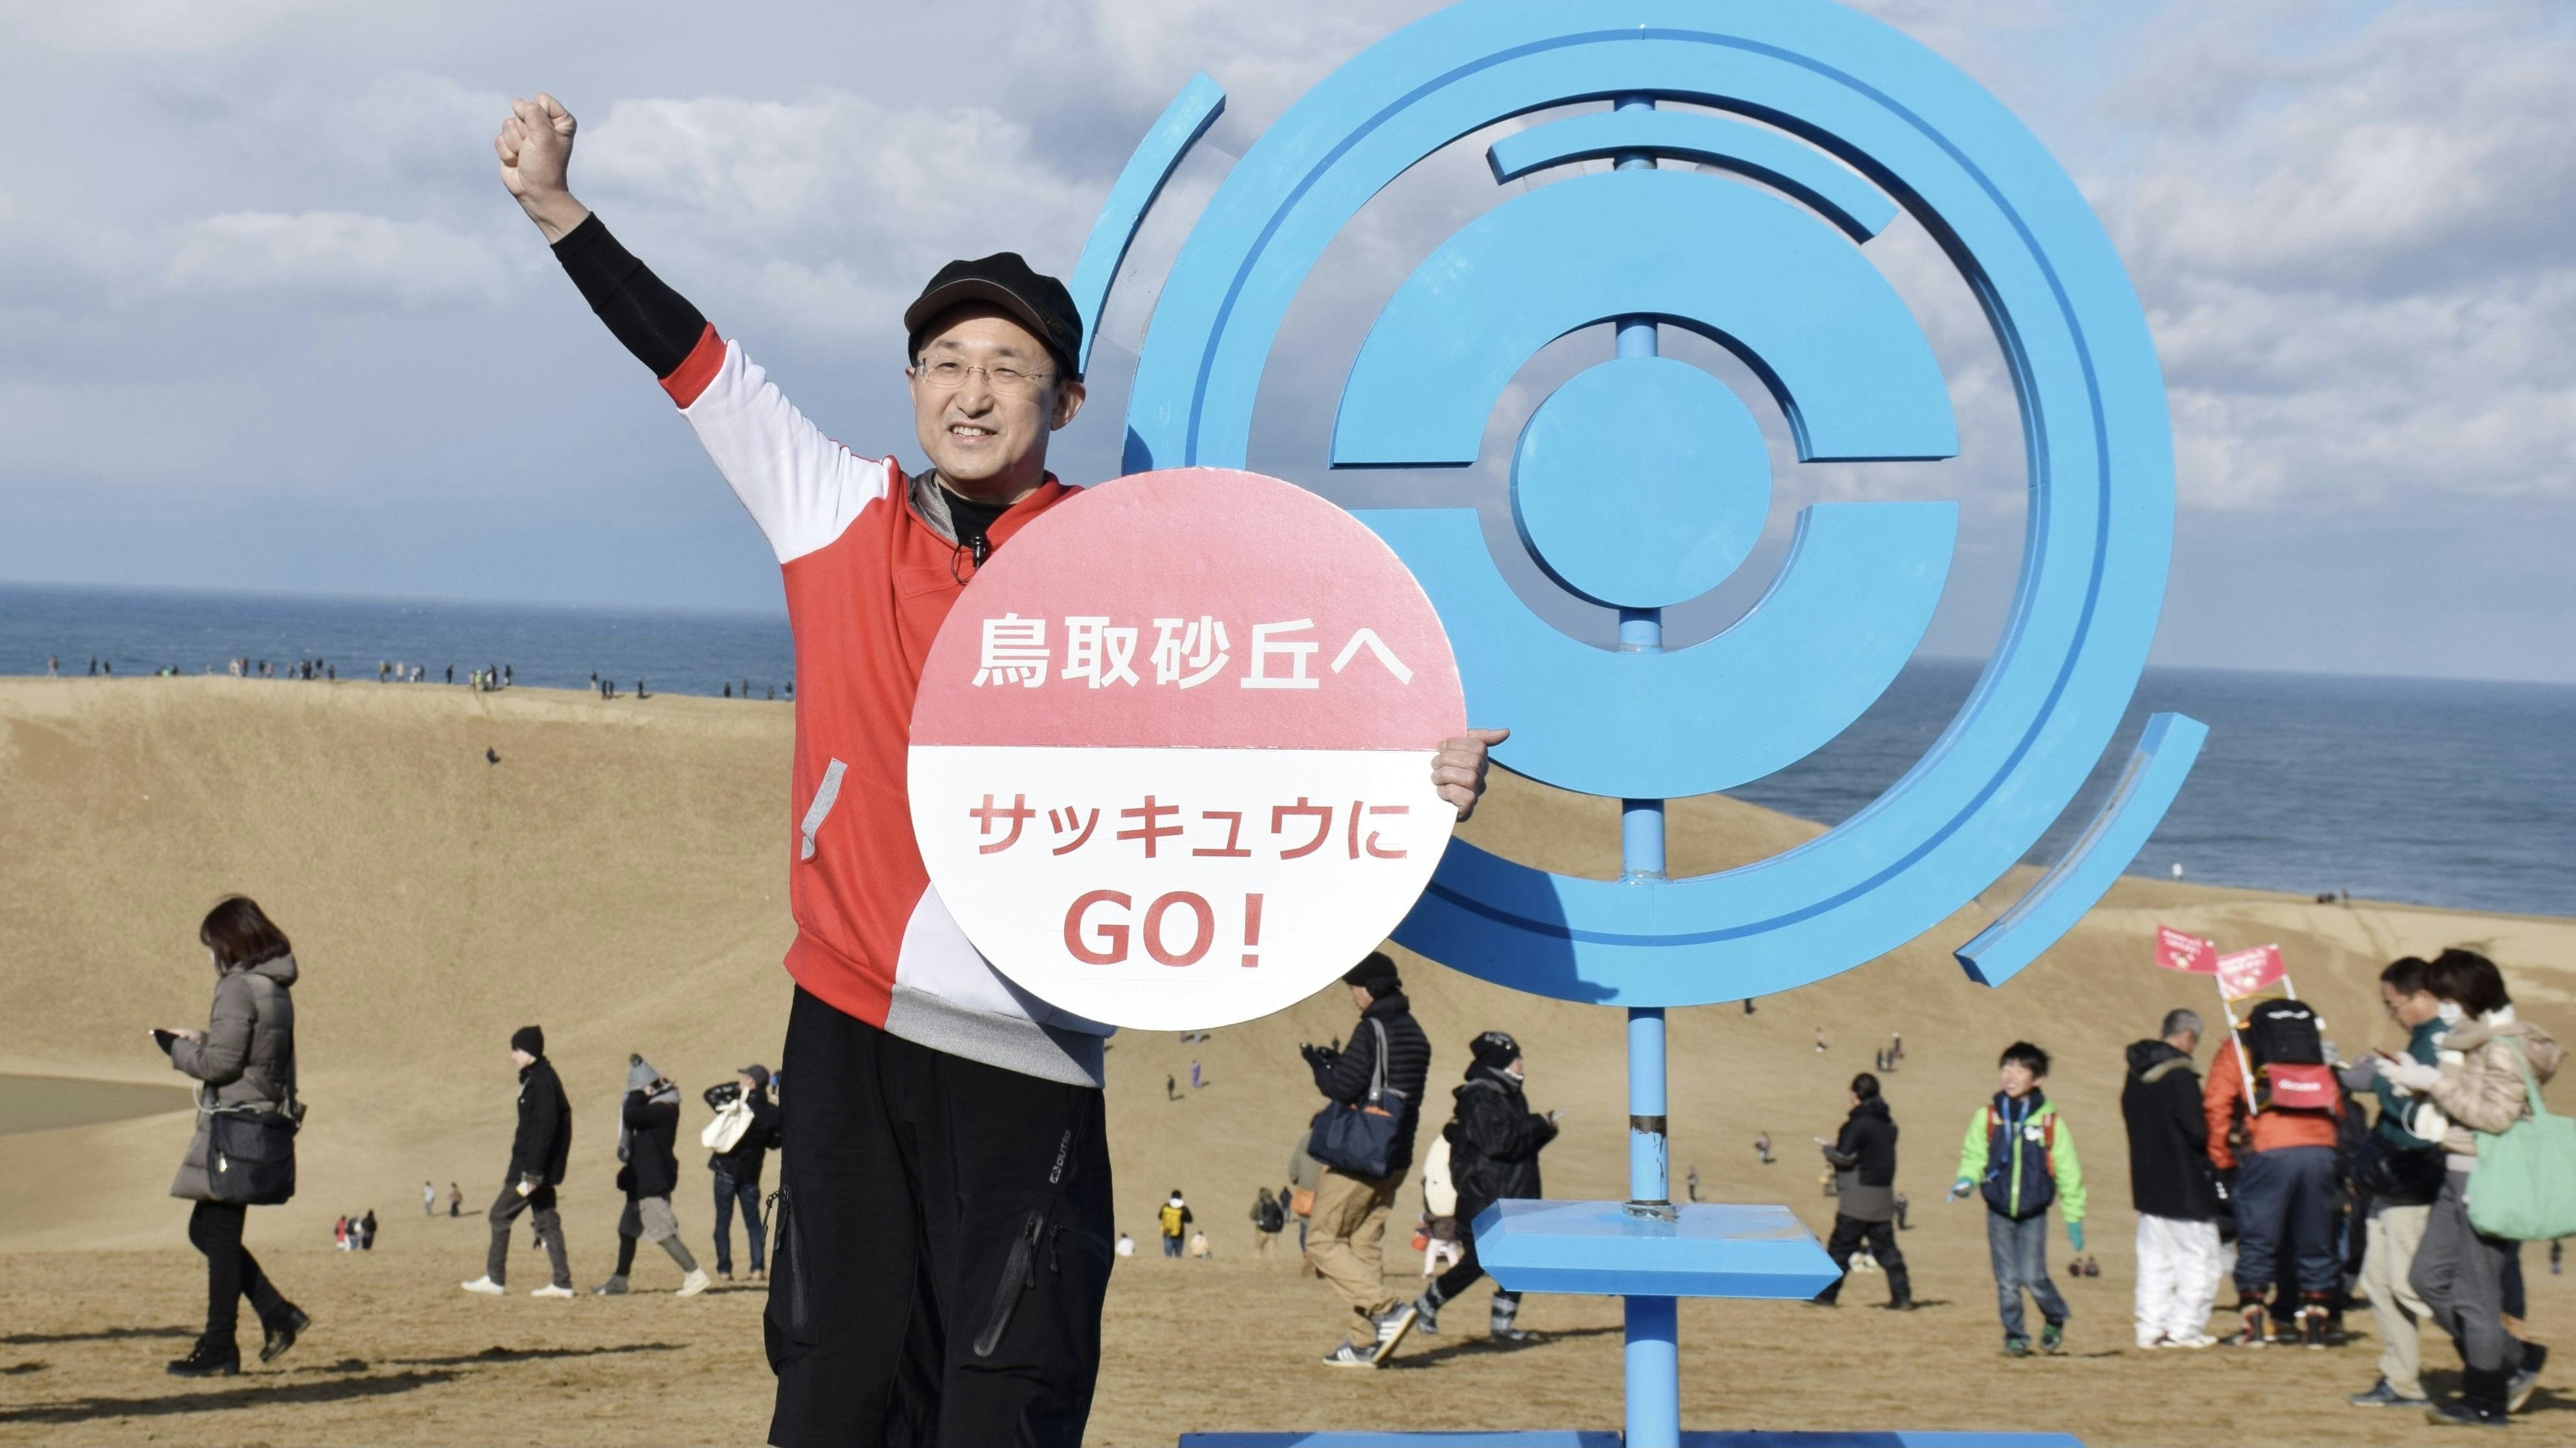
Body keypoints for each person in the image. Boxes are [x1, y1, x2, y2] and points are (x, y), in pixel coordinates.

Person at [496, 90, 1500, 1440]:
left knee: (1010, 1380)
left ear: (1065, 398)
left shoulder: (1126, 563)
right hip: (850, 1020)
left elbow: (1276, 721)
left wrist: (1416, 773)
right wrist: (559, 210)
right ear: (913, 383)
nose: (970, 391)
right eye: (944, 360)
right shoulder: (832, 508)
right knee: (839, 1376)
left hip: (1033, 1043)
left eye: (1009, 366)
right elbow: (693, 362)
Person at [2379, 949, 2560, 1427]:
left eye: (2445, 996)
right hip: (2456, 1169)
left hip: (2486, 1174)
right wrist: (2417, 1084)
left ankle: (2486, 1400)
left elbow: (2495, 1117)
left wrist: (2434, 1084)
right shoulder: (2469, 1042)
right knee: (2426, 1277)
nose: (2441, 1006)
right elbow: (2467, 1103)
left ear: (2466, 995)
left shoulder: (2501, 1046)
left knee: (2475, 1294)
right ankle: (2513, 1355)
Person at [159, 896, 310, 1377]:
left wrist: (175, 1048)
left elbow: (222, 1065)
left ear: (230, 942)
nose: (211, 955)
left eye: (212, 945)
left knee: (219, 1236)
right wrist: (203, 1038)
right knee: (206, 1230)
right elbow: (255, 1055)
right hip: (256, 1121)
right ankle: (275, 1312)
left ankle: (221, 1346)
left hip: (234, 1126)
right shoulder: (273, 986)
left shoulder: (237, 987)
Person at [1301, 953, 1435, 1366]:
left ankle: (1388, 1310)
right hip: (1396, 1155)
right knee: (1364, 1245)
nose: (1353, 996)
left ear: (1373, 988)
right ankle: (1365, 1343)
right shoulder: (1414, 1032)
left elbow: (1343, 1089)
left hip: (1361, 1155)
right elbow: (1383, 1083)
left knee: (1321, 1240)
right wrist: (1341, 1064)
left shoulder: (1372, 1028)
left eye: (1356, 988)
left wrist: (1319, 1066)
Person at [2204, 994, 2344, 1347]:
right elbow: (2334, 1100)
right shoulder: (2308, 1045)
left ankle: (2254, 1322)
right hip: (2321, 1146)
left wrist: (2222, 1157)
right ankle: (2316, 1323)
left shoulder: (2240, 1045)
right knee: (2315, 1237)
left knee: (2258, 1238)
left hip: (2269, 1145)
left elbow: (2217, 1102)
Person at [2344, 958, 2448, 1408]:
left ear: (2421, 996)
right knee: (2378, 1281)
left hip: (2411, 1179)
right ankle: (2402, 1379)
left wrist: (2382, 1082)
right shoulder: (2424, 1037)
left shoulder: (2439, 1039)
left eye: (2393, 1005)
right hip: (2390, 1182)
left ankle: (2502, 1354)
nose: (2393, 1015)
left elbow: (2419, 1120)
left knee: (2411, 1285)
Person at [1412, 1030, 1555, 1342]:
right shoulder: (1479, 1097)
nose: (1521, 1063)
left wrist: (1544, 1131)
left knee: (1520, 1260)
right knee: (1479, 1261)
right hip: (1484, 1196)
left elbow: (1515, 1147)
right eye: (1516, 1058)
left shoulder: (1510, 1095)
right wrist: (1536, 1124)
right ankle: (1427, 1303)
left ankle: (1502, 1327)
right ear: (1500, 1061)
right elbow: (1496, 1143)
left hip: (1514, 1193)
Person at [1955, 1041, 2085, 1357]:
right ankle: (2015, 1336)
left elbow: (2068, 1171)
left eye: (2021, 1069)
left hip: (2034, 1212)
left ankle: (2055, 1315)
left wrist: (2074, 1217)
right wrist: (1967, 1179)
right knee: (2007, 1281)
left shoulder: (2049, 1123)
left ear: (2038, 1079)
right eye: (2006, 1067)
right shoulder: (1988, 1116)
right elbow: (1975, 1155)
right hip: (1998, 1210)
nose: (2010, 1075)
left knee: (2034, 1277)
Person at [2122, 1009, 2221, 1349]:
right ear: (2188, 1037)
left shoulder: (2135, 1074)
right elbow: (2197, 1130)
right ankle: (2184, 1330)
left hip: (2148, 1184)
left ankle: (2150, 1329)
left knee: (2154, 1261)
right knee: (2201, 1258)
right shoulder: (2180, 1076)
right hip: (2185, 1184)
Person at [461, 1025, 575, 1298]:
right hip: (537, 1170)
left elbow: (544, 1130)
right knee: (547, 1220)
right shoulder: (538, 1078)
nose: (513, 1056)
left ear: (530, 1051)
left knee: (499, 1215)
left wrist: (533, 1173)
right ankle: (562, 1283)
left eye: (516, 1050)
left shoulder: (543, 1082)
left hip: (530, 1172)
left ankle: (495, 1279)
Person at [595, 1056, 711, 1297]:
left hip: (652, 1182)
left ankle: (695, 1274)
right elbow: (642, 1143)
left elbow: (631, 1114)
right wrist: (628, 1173)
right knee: (627, 1230)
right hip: (642, 1180)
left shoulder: (665, 1109)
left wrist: (638, 1091)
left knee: (663, 1231)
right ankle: (620, 1281)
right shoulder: (656, 1108)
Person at [1813, 1073, 1911, 1310]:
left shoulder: (1857, 1123)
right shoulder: (1889, 1124)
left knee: (1839, 1249)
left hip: (1857, 1197)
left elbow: (1844, 1157)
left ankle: (1826, 1297)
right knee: (1887, 1251)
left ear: (1856, 1095)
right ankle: (1903, 1297)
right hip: (1883, 1195)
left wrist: (1827, 1149)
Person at [706, 1065, 782, 1282]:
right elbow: (775, 1143)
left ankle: (724, 1270)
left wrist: (738, 1089)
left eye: (744, 1078)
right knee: (754, 1222)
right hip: (751, 1172)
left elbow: (710, 1094)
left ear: (751, 1082)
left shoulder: (738, 1105)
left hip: (726, 1169)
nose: (740, 1081)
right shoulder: (772, 1112)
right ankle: (757, 1269)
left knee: (723, 1221)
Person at [1252, 1188, 1286, 1257]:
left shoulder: (1259, 1203)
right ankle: (1272, 1263)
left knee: (1258, 1248)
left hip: (1261, 1229)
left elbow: (1252, 1216)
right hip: (1273, 1231)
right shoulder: (1275, 1204)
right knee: (1272, 1251)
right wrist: (1279, 1228)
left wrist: (1259, 1219)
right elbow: (1281, 1217)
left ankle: (1258, 1262)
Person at [1158, 1191, 1192, 1258]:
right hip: (1179, 1234)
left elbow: (1160, 1217)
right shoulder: (1183, 1209)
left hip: (1167, 1233)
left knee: (1168, 1256)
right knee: (1178, 1255)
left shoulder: (1166, 1206)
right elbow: (1190, 1220)